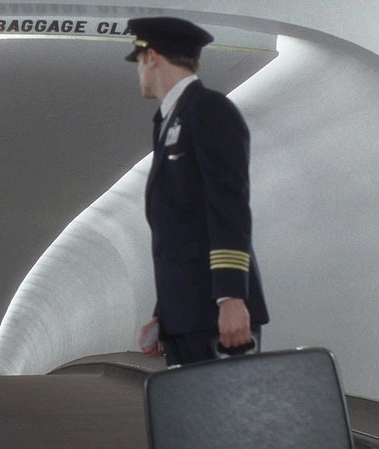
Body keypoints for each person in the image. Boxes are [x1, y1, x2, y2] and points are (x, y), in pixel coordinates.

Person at [126, 17, 269, 366]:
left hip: (214, 312)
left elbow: (228, 206)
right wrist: (164, 312)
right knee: (193, 404)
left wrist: (231, 297)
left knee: (226, 403)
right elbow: (181, 230)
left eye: (139, 61)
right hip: (186, 314)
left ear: (152, 57)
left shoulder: (209, 110)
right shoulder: (169, 121)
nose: (138, 71)